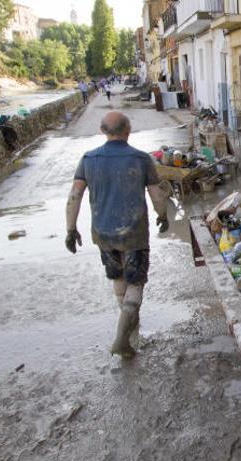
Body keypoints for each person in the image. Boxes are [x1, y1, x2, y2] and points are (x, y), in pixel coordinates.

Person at [64, 112, 170, 358]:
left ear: (103, 131)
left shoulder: (88, 159)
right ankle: (122, 338)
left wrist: (71, 229)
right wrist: (162, 216)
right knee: (136, 282)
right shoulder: (141, 159)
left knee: (119, 281)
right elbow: (156, 196)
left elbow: (74, 196)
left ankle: (130, 326)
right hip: (134, 234)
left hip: (103, 234)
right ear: (128, 130)